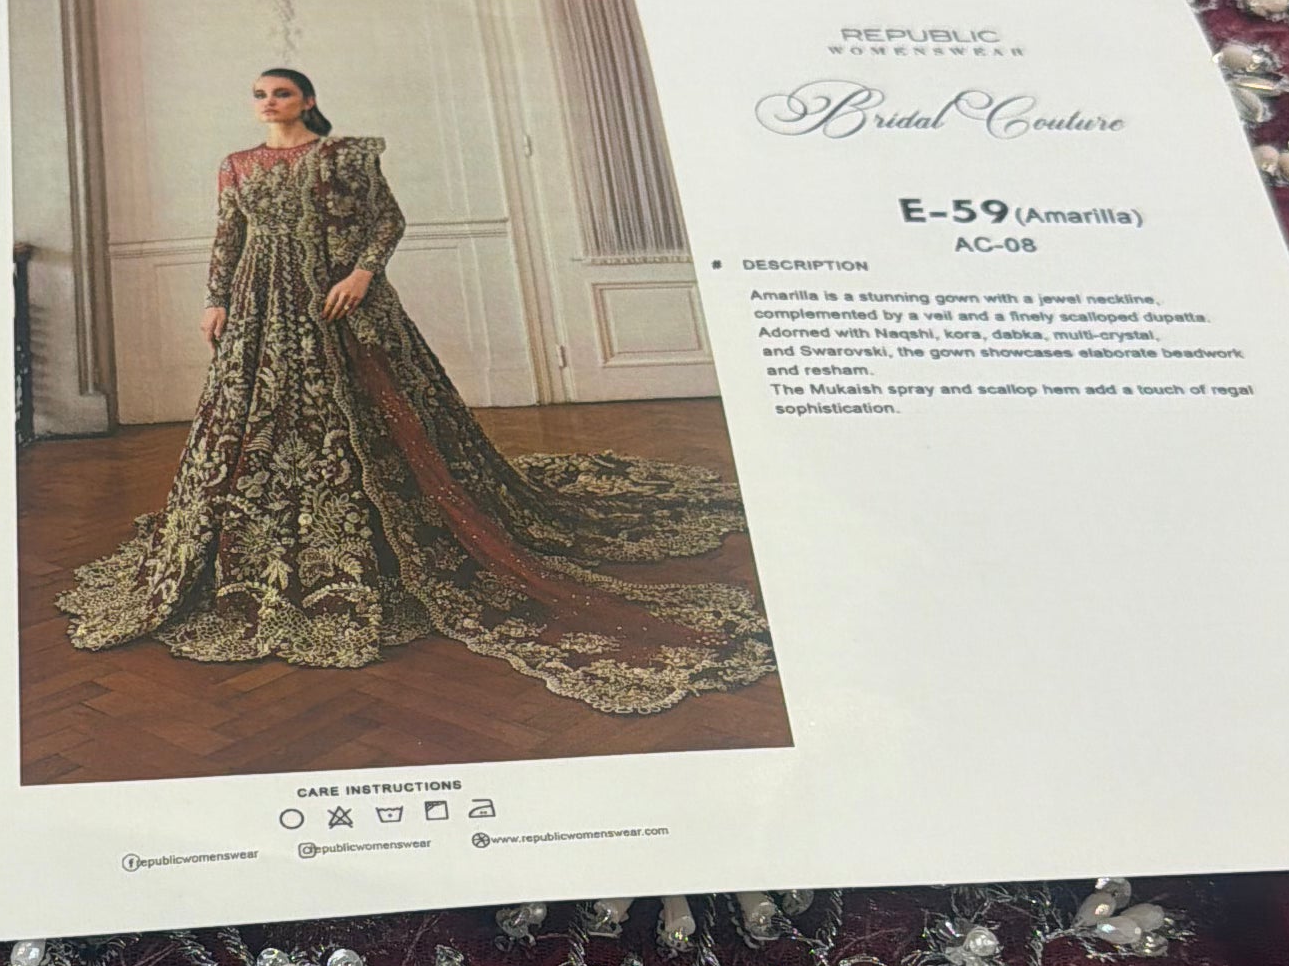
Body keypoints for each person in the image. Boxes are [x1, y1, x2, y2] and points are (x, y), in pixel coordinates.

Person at [58, 65, 777, 712]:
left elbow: (387, 219)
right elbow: (228, 236)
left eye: (281, 93)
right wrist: (215, 299)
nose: (268, 102)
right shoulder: (236, 165)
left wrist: (361, 274)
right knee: (255, 423)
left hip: (337, 298)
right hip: (258, 302)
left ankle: (381, 537)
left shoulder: (345, 156)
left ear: (307, 100)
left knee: (376, 418)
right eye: (259, 94)